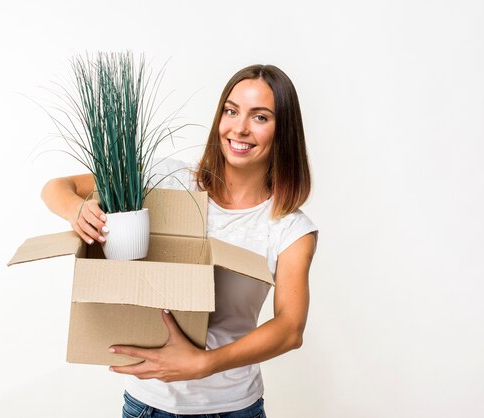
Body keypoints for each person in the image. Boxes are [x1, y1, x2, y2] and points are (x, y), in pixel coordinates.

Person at [41, 64, 318, 417]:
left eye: (260, 117)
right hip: (147, 405)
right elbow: (56, 188)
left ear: (284, 132)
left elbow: (290, 328)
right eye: (231, 111)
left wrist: (203, 364)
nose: (240, 128)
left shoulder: (289, 228)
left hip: (233, 407)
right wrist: (77, 210)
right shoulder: (170, 180)